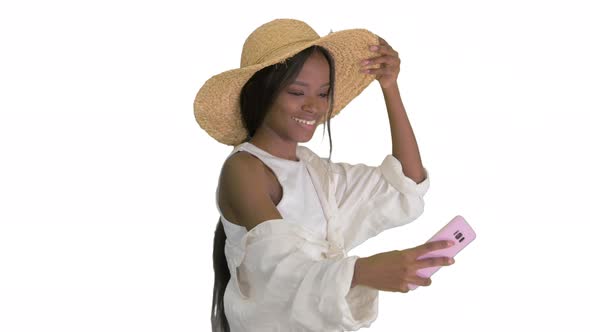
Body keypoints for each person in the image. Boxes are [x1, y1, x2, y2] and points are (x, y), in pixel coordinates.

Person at [194, 19, 454, 332]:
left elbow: (406, 184)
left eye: (323, 93)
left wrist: (389, 87)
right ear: (261, 93)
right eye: (296, 91)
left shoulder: (318, 174)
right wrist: (362, 271)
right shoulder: (245, 170)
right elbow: (280, 273)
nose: (313, 107)